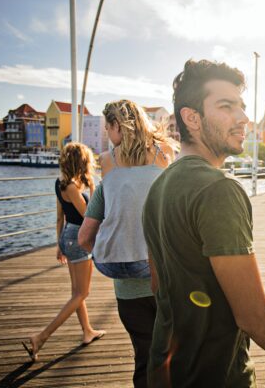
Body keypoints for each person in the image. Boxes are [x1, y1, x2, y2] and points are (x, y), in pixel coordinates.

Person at [142, 59, 265, 387]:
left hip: (165, 369)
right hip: (215, 376)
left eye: (241, 107)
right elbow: (252, 316)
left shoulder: (160, 186)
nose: (242, 118)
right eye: (226, 106)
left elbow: (157, 285)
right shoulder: (218, 190)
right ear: (191, 118)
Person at [78, 99, 175, 387]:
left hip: (125, 282)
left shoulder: (108, 161)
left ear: (116, 126)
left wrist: (104, 250)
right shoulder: (165, 154)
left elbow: (84, 237)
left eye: (108, 128)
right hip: (164, 277)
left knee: (143, 357)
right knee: (173, 354)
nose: (108, 136)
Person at [22, 142, 105, 361]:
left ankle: (87, 331)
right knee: (81, 293)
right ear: (81, 161)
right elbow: (90, 215)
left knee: (76, 292)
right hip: (79, 238)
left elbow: (61, 217)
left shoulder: (61, 184)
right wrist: (95, 188)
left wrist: (59, 243)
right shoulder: (72, 187)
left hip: (68, 236)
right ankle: (41, 336)